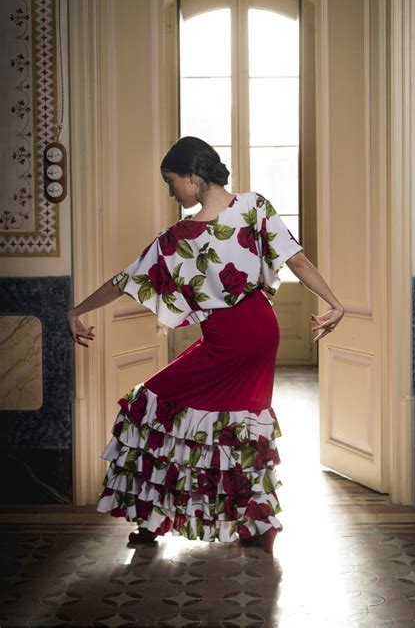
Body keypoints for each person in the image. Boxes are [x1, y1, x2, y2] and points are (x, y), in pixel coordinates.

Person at [67, 136, 344, 554]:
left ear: (194, 178)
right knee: (237, 430)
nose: (171, 190)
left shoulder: (178, 238)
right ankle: (256, 523)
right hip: (259, 330)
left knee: (149, 408)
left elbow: (123, 282)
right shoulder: (254, 206)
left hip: (229, 340)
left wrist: (77, 309)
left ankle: (154, 517)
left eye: (172, 181)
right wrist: (335, 303)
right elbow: (297, 261)